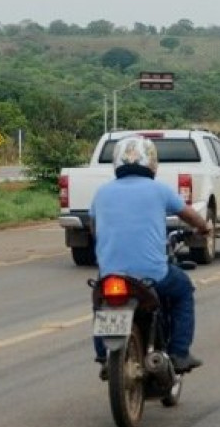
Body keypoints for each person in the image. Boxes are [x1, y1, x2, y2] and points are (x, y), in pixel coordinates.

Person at [90, 135, 210, 377]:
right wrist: (204, 228)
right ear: (151, 162)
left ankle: (104, 356)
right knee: (184, 290)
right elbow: (190, 216)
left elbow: (94, 228)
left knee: (101, 305)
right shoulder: (159, 190)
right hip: (152, 275)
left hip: (110, 274)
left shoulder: (101, 193)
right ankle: (178, 353)